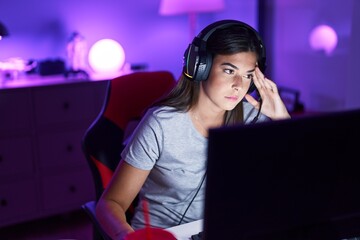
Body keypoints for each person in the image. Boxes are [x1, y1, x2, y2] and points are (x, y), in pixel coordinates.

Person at [95, 19, 291, 240]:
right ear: (200, 67)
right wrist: (125, 236)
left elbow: (296, 184)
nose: (239, 84)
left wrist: (283, 121)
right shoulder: (162, 124)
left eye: (247, 75)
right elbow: (110, 203)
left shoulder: (252, 118)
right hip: (163, 235)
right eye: (229, 70)